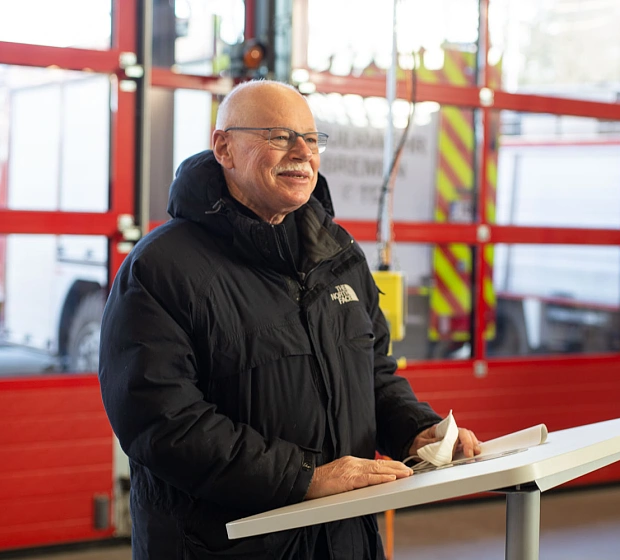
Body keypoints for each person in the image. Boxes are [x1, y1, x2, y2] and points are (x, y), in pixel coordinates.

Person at [98, 79, 481, 560]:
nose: (302, 152)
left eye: (312, 138)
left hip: (345, 542)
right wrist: (305, 478)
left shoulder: (339, 256)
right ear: (224, 147)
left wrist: (416, 431)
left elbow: (373, 373)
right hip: (222, 548)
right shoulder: (162, 269)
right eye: (279, 136)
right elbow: (163, 423)